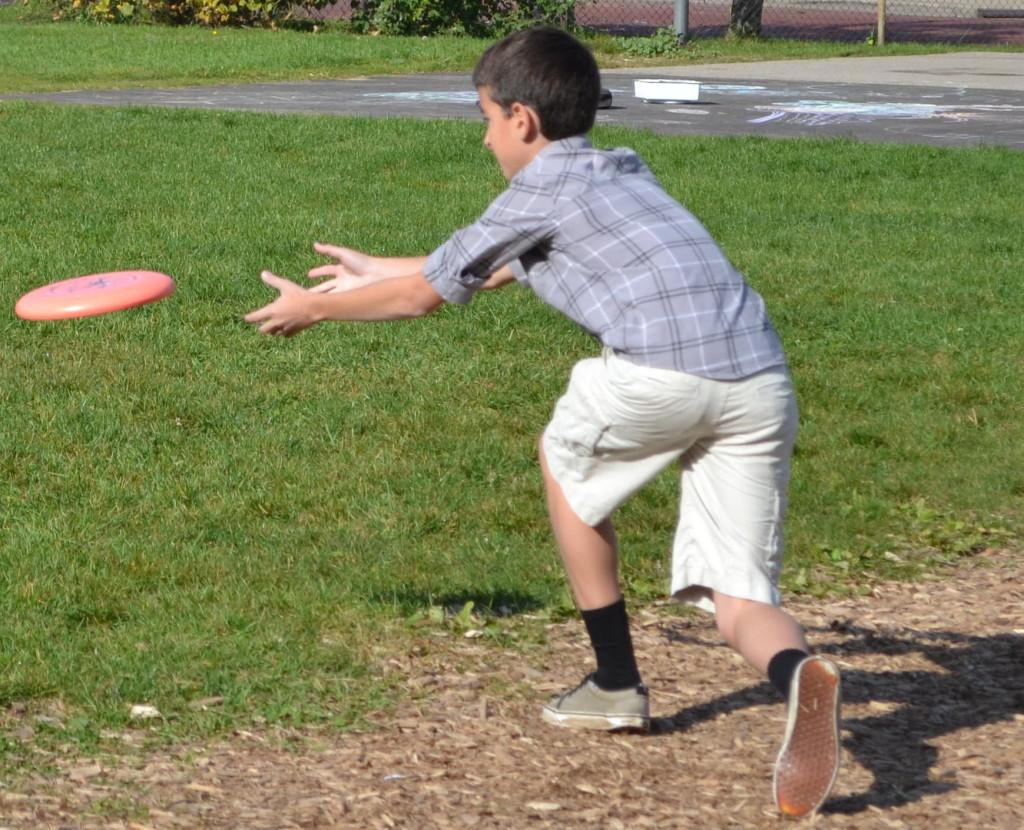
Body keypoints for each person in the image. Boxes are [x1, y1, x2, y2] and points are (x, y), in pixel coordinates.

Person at [244, 26, 841, 819]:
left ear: (521, 119)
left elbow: (428, 298)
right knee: (739, 591)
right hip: (761, 381)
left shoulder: (539, 185)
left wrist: (317, 307)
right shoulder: (615, 171)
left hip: (660, 373)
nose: (486, 135)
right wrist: (370, 269)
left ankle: (617, 683)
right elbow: (480, 269)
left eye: (486, 118)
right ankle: (798, 674)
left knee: (564, 465)